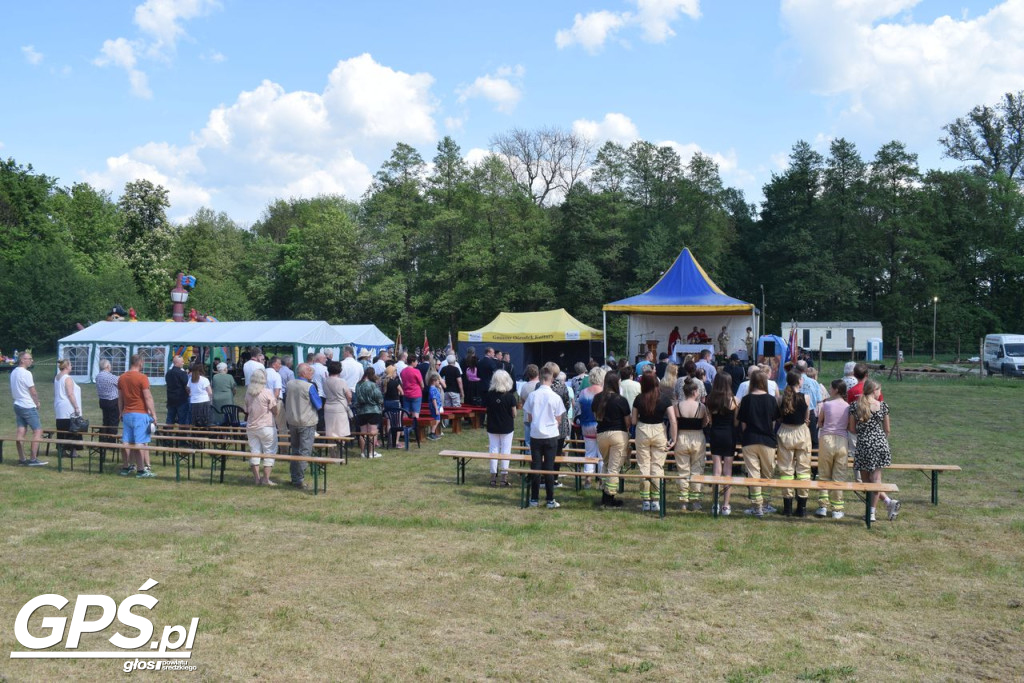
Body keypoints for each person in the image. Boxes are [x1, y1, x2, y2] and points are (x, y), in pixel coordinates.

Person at [849, 379, 900, 522]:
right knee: (876, 479)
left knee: (866, 481)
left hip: (863, 444)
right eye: (879, 390)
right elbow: (887, 429)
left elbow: (852, 429)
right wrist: (880, 437)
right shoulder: (883, 406)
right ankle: (872, 511)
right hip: (879, 444)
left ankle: (872, 510)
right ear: (874, 390)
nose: (880, 393)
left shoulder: (855, 406)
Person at [632, 373, 677, 513]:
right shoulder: (664, 398)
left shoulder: (639, 399)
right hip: (659, 431)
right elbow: (673, 419)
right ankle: (656, 500)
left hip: (643, 430)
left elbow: (633, 421)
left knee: (644, 465)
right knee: (657, 466)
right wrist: (673, 438)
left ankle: (645, 500)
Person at [737, 369, 780, 517]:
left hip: (749, 439)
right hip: (767, 440)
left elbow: (742, 423)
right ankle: (767, 503)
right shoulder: (771, 399)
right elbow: (774, 422)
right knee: (768, 473)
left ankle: (757, 506)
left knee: (753, 473)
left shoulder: (746, 399)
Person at [522, 366, 566, 509]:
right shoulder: (555, 397)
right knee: (549, 467)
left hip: (536, 434)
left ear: (540, 378)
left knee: (536, 466)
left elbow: (529, 416)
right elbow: (559, 419)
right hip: (551, 435)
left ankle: (534, 499)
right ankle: (550, 499)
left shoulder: (533, 395)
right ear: (551, 379)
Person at [777, 370, 812, 517]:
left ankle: (787, 507)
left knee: (786, 470)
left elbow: (779, 417)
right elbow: (807, 418)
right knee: (803, 469)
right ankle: (802, 507)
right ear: (799, 382)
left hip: (785, 432)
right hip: (801, 432)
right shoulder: (806, 397)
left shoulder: (780, 398)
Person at [593, 371, 630, 507]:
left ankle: (604, 493)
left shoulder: (597, 398)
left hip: (602, 434)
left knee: (607, 464)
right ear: (616, 382)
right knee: (614, 468)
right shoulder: (621, 400)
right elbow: (628, 422)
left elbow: (595, 416)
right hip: (618, 435)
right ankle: (610, 498)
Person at [118, 353, 158, 478]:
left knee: (126, 441)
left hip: (127, 413)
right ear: (140, 363)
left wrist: (121, 412)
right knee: (140, 442)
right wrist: (154, 414)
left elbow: (120, 398)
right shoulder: (142, 377)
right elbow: (148, 397)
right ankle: (141, 470)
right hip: (140, 413)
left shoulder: (122, 377)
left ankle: (126, 467)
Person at [816, 380, 851, 519]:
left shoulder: (826, 404)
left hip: (826, 439)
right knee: (839, 474)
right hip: (842, 440)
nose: (829, 389)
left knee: (824, 473)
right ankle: (837, 508)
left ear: (836, 390)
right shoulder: (847, 406)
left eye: (831, 388)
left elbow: (820, 422)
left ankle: (822, 506)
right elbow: (849, 425)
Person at [674, 378, 710, 511]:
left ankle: (683, 500)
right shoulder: (701, 406)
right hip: (697, 437)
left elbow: (675, 423)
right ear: (695, 392)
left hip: (681, 436)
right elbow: (706, 422)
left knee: (682, 469)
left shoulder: (677, 406)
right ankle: (695, 500)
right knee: (697, 468)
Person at [706, 373, 739, 515]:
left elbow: (710, 420)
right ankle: (726, 505)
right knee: (728, 470)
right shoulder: (734, 400)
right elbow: (736, 422)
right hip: (729, 434)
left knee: (716, 469)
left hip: (715, 433)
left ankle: (715, 503)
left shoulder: (710, 399)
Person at [285, 363, 321, 488]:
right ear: (303, 373)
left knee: (295, 450)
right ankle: (299, 480)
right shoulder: (309, 386)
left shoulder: (289, 384)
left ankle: (294, 476)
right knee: (304, 451)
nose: (312, 372)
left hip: (292, 422)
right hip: (306, 422)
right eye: (309, 370)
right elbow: (318, 404)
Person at [244, 368, 279, 486]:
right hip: (266, 426)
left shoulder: (248, 393)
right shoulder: (267, 392)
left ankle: (257, 479)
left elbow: (246, 410)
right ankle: (266, 479)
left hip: (252, 426)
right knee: (269, 451)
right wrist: (275, 411)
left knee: (254, 451)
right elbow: (275, 409)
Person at [11, 352, 45, 466]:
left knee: (21, 431)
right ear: (22, 360)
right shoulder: (26, 373)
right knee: (37, 431)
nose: (31, 360)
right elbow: (33, 391)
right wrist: (37, 403)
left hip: (17, 404)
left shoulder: (13, 372)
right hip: (27, 405)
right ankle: (33, 459)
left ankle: (22, 459)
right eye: (29, 359)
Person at [485, 369, 517, 486]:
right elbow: (514, 414)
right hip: (507, 426)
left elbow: (487, 410)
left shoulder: (489, 395)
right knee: (505, 450)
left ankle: (493, 477)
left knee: (493, 449)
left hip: (492, 425)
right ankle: (504, 477)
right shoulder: (510, 397)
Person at [575, 366, 605, 488]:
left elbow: (578, 408)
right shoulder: (604, 393)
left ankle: (588, 479)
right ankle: (602, 479)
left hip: (587, 425)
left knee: (589, 453)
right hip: (601, 425)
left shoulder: (583, 392)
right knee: (602, 454)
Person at [54, 359, 84, 459]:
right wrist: (76, 407)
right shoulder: (67, 378)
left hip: (59, 407)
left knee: (61, 429)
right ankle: (73, 451)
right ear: (67, 367)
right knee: (73, 429)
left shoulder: (57, 377)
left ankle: (61, 449)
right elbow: (70, 394)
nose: (72, 366)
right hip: (68, 407)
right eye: (71, 365)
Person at [353, 367, 384, 457]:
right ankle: (371, 452)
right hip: (373, 410)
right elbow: (379, 398)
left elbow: (357, 398)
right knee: (372, 432)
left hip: (361, 411)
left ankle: (362, 452)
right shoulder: (373, 385)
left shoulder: (358, 385)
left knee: (363, 433)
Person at [323, 360, 353, 441]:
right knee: (341, 431)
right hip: (340, 407)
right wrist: (349, 402)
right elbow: (349, 395)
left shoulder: (325, 381)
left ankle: (332, 450)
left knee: (330, 431)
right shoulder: (341, 381)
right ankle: (340, 449)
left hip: (328, 406)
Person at [95, 358, 121, 446]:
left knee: (106, 420)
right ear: (107, 366)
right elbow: (120, 382)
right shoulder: (110, 376)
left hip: (103, 400)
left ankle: (104, 439)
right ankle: (111, 442)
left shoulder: (98, 376)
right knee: (113, 421)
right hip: (112, 400)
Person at [164, 355, 190, 425]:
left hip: (171, 398)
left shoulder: (168, 373)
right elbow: (187, 386)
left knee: (170, 418)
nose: (183, 363)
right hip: (181, 399)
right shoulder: (182, 373)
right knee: (182, 419)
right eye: (182, 361)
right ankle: (181, 434)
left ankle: (168, 433)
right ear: (177, 362)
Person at [518, 364, 539, 448]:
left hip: (528, 414)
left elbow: (523, 401)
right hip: (539, 415)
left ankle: (528, 453)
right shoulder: (541, 385)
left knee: (528, 439)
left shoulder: (524, 386)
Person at [187, 363, 213, 427]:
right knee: (204, 419)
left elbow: (188, 388)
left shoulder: (191, 379)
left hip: (194, 401)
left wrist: (191, 394)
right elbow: (210, 392)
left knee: (195, 420)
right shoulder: (204, 379)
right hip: (204, 401)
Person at [426, 372, 443, 440]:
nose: (439, 382)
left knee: (437, 420)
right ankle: (432, 433)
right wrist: (436, 409)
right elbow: (434, 399)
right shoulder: (432, 389)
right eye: (438, 381)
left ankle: (432, 433)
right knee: (436, 420)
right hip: (435, 407)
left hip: (437, 406)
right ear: (434, 381)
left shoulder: (434, 388)